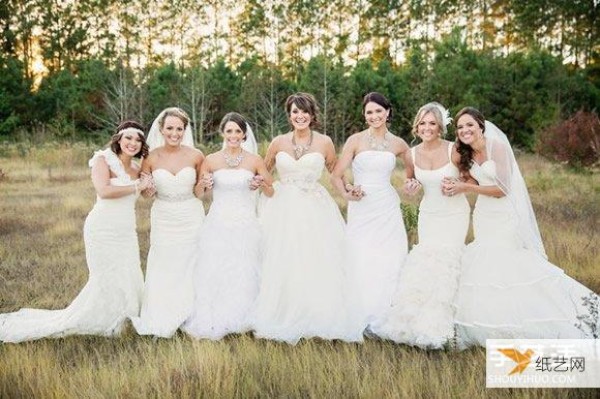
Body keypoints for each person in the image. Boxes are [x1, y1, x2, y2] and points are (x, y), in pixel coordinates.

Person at [448, 107, 597, 347]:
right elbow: (474, 181)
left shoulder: (497, 146)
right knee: (485, 266)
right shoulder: (465, 153)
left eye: (470, 125)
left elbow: (503, 188)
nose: (465, 130)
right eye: (460, 127)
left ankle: (554, 316)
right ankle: (494, 319)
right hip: (484, 215)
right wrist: (459, 181)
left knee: (509, 264)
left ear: (481, 126)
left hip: (505, 215)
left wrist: (468, 188)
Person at [0, 121, 152, 343]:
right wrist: (136, 187)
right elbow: (104, 190)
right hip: (102, 229)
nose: (133, 143)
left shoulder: (137, 169)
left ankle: (125, 319)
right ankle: (100, 319)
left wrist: (150, 186)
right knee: (105, 276)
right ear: (118, 139)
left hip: (126, 231)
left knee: (128, 273)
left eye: (138, 140)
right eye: (128, 138)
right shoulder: (103, 159)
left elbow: (146, 194)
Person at [252, 92, 364, 344]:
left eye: (304, 112)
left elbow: (336, 173)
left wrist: (349, 190)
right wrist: (252, 181)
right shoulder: (278, 142)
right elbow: (263, 170)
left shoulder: (324, 142)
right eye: (295, 112)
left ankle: (316, 313)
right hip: (282, 207)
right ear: (289, 115)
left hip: (315, 208)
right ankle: (282, 310)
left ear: (312, 115)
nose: (299, 116)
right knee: (282, 257)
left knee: (315, 258)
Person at [371, 102, 471, 349]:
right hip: (429, 213)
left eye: (432, 123)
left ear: (440, 127)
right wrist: (410, 188)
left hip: (455, 213)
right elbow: (410, 182)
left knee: (449, 262)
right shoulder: (412, 154)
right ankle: (418, 321)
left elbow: (471, 178)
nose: (427, 128)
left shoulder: (454, 150)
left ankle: (451, 322)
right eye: (423, 123)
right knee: (427, 262)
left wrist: (459, 185)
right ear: (417, 126)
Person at [184, 112, 273, 339]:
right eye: (229, 131)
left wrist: (259, 182)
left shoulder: (254, 160)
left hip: (245, 222)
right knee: (216, 266)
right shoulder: (211, 160)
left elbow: (270, 191)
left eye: (238, 131)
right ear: (223, 133)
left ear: (244, 135)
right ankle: (216, 316)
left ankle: (246, 315)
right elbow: (198, 193)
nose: (233, 135)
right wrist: (204, 183)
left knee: (245, 267)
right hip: (218, 221)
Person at [330, 92, 413, 332]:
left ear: (388, 112)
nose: (374, 116)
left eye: (378, 111)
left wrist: (411, 185)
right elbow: (336, 175)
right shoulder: (355, 141)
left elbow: (412, 175)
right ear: (364, 115)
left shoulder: (399, 144)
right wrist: (346, 193)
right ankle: (360, 311)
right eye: (369, 112)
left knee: (390, 256)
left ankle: (386, 312)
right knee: (361, 255)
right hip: (362, 207)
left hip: (387, 206)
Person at [131, 107, 205, 338]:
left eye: (179, 129)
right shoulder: (150, 158)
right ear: (161, 129)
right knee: (164, 261)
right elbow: (145, 194)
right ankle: (162, 312)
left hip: (191, 214)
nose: (174, 133)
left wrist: (205, 184)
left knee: (192, 261)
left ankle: (193, 314)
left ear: (185, 130)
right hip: (164, 215)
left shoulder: (196, 155)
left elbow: (200, 193)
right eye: (170, 128)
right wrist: (148, 190)